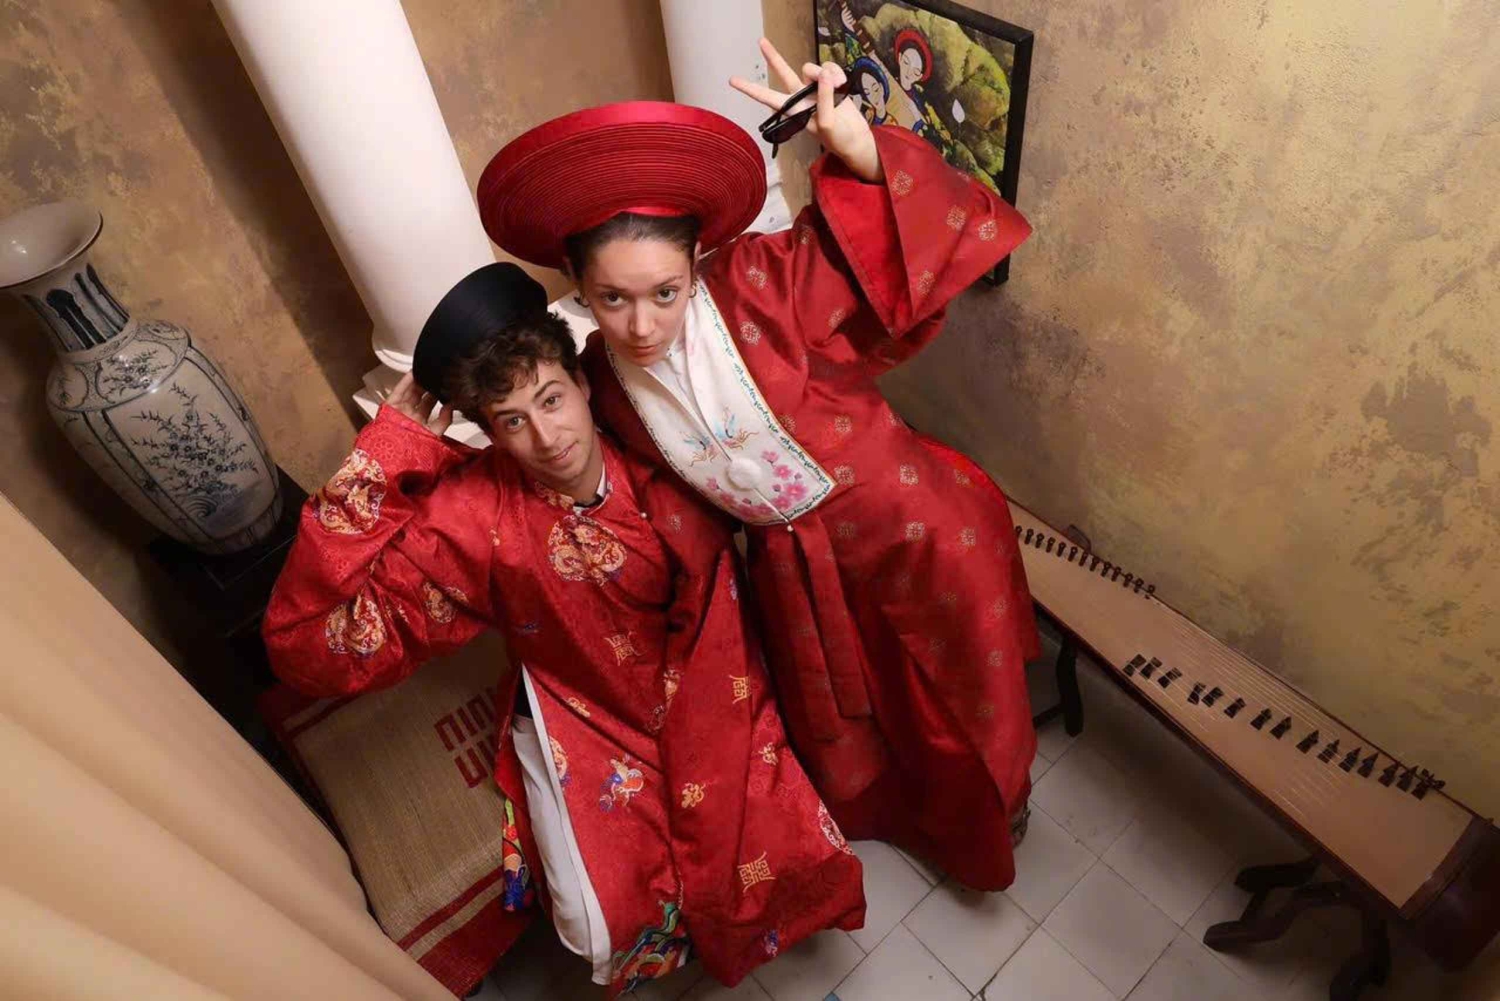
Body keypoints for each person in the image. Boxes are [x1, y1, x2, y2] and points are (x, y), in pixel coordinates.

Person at [474, 40, 1040, 891]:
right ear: (578, 287)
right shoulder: (604, 388)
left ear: (695, 263)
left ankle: (994, 816)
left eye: (664, 292)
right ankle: (903, 819)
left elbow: (876, 251)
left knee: (955, 696)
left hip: (906, 524)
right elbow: (643, 494)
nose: (640, 325)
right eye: (613, 298)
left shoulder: (758, 280)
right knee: (860, 722)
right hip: (795, 573)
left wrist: (860, 153)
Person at [262, 263, 864, 997]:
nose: (547, 437)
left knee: (778, 833)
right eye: (513, 420)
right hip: (589, 708)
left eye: (551, 398)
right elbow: (307, 647)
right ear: (490, 433)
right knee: (593, 923)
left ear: (582, 382)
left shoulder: (653, 430)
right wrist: (384, 459)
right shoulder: (475, 517)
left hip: (715, 683)